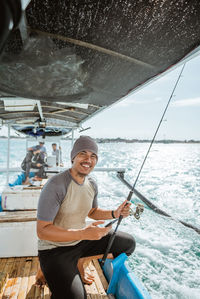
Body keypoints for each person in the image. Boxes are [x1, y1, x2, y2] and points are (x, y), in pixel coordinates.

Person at [37, 136, 135, 299]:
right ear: (73, 157)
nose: (88, 160)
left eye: (93, 156)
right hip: (54, 249)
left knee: (128, 244)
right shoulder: (55, 185)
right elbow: (42, 231)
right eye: (83, 154)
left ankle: (80, 261)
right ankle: (46, 267)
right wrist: (83, 233)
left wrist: (114, 213)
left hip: (80, 243)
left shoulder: (92, 183)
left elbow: (92, 211)